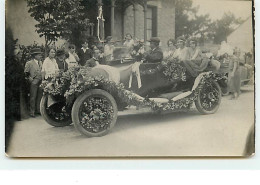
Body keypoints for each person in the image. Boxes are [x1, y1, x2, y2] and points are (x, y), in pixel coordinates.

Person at [24, 47, 43, 117]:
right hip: (34, 81)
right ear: (35, 55)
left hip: (40, 81)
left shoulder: (40, 62)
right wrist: (30, 79)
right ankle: (32, 112)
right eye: (39, 55)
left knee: (40, 96)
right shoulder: (29, 63)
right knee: (33, 96)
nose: (40, 56)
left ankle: (38, 110)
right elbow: (26, 72)